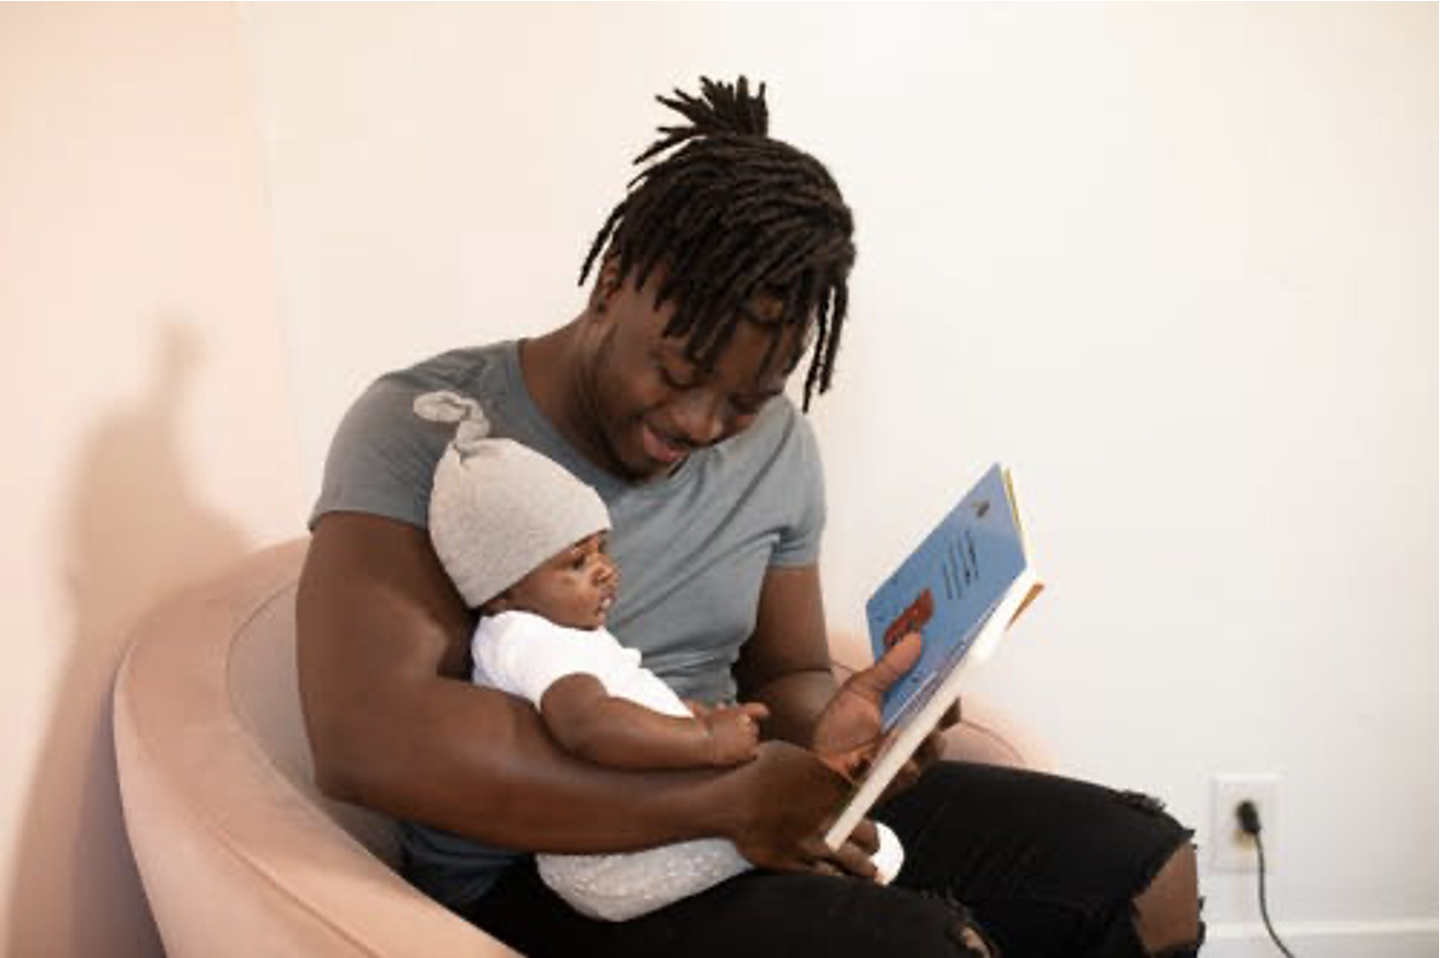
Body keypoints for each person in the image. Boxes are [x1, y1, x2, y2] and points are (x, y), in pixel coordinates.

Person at [298, 76, 1204, 957]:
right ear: (613, 281)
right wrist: (717, 802)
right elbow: (368, 737)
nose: (698, 426)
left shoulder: (777, 446)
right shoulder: (430, 427)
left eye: (744, 399)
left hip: (740, 806)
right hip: (544, 874)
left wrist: (848, 728)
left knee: (1141, 867)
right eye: (679, 373)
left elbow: (791, 672)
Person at [409, 388, 906, 920]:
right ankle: (837, 824)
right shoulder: (528, 638)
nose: (603, 569)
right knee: (789, 817)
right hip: (608, 860)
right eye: (577, 562)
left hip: (626, 840)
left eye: (602, 547)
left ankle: (828, 810)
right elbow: (587, 725)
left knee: (782, 800)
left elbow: (614, 710)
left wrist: (675, 719)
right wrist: (703, 740)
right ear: (500, 590)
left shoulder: (552, 630)